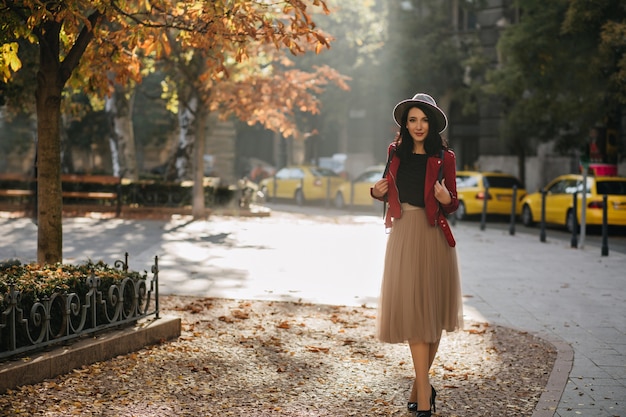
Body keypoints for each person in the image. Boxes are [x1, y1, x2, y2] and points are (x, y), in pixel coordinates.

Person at [371, 93, 463, 416]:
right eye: (412, 120)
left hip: (433, 236)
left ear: (433, 123)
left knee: (432, 318)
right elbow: (384, 186)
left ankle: (418, 387)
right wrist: (375, 191)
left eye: (424, 120)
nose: (418, 126)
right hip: (403, 234)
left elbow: (453, 204)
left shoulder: (445, 158)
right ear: (405, 124)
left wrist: (445, 197)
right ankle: (424, 400)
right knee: (414, 313)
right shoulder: (394, 153)